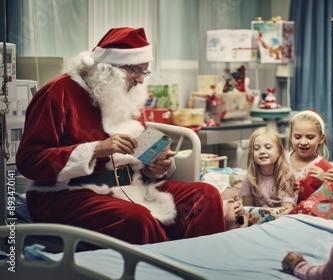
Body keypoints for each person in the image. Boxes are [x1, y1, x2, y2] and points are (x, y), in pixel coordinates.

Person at [16, 27, 226, 244]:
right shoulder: (56, 94)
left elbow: (138, 156)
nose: (141, 80)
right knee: (137, 219)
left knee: (205, 196)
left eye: (144, 71)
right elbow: (29, 161)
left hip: (133, 185)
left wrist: (154, 168)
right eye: (135, 70)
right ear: (107, 68)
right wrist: (96, 150)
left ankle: (200, 270)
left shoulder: (125, 94)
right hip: (67, 193)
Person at [240, 127, 297, 211]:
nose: (262, 151)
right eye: (256, 148)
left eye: (268, 147)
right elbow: (247, 210)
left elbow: (288, 209)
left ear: (279, 152)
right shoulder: (249, 178)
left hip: (281, 219)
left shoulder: (286, 176)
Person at [287, 110, 333, 203]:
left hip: (309, 216)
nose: (303, 142)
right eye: (297, 137)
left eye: (310, 137)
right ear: (291, 137)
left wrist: (324, 182)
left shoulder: (325, 167)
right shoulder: (282, 160)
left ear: (321, 139)